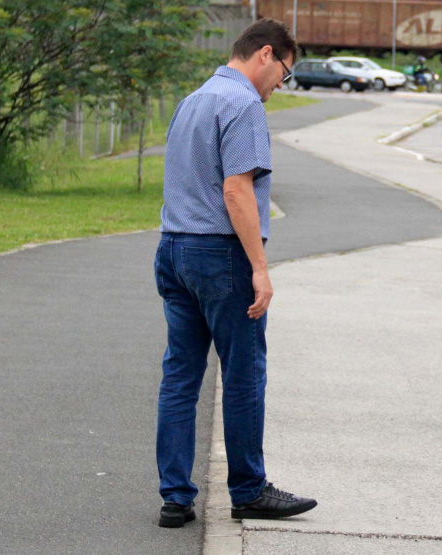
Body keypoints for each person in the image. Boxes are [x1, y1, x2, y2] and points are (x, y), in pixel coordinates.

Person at [154, 18, 317, 528]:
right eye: (284, 72)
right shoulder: (243, 104)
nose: (280, 84)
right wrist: (260, 270)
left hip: (173, 247)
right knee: (243, 374)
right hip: (220, 255)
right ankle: (248, 490)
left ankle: (175, 498)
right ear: (266, 54)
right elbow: (236, 190)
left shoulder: (193, 100)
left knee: (181, 375)